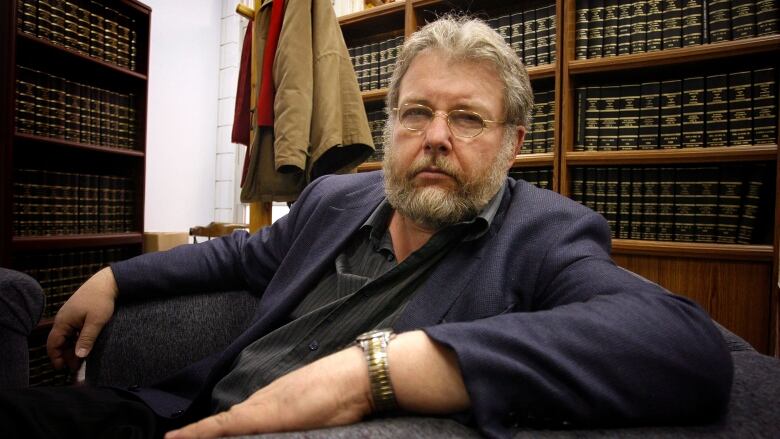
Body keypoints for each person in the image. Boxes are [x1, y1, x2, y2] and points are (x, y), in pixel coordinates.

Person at [0, 15, 732, 439]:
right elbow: (238, 256)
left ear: (512, 145)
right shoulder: (332, 201)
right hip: (176, 413)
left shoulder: (546, 235)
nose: (435, 136)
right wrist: (114, 274)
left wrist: (378, 369)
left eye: (468, 118)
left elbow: (686, 346)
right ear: (390, 128)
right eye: (416, 112)